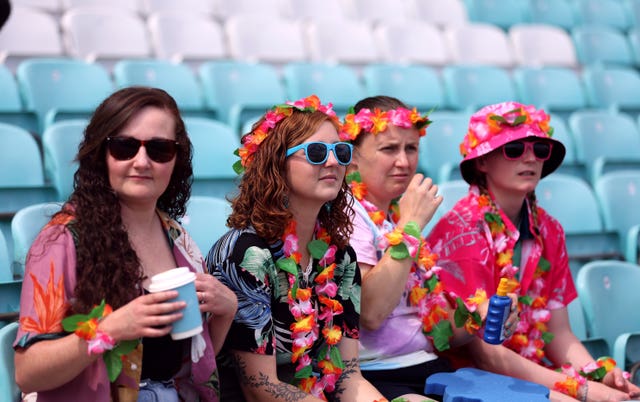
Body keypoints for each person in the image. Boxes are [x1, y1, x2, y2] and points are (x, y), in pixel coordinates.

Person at [13, 87, 237, 402]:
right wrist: (109, 330)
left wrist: (226, 312)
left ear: (176, 160)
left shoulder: (177, 238)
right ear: (101, 155)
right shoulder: (62, 240)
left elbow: (188, 361)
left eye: (159, 149)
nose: (142, 161)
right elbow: (28, 372)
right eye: (124, 147)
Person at [427, 101, 640, 402]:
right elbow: (485, 355)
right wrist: (583, 389)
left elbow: (560, 333)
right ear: (482, 163)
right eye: (513, 149)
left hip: (528, 372)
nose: (530, 158)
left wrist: (599, 373)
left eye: (539, 149)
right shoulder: (459, 234)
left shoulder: (549, 230)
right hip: (471, 378)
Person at [206, 94, 414, 401]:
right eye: (316, 152)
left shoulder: (339, 256)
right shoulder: (248, 254)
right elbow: (259, 387)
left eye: (340, 151)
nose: (332, 161)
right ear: (276, 164)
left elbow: (347, 376)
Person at [339, 95, 519, 400]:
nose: (404, 161)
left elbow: (437, 331)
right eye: (389, 149)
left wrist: (479, 316)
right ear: (354, 157)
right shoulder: (349, 212)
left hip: (428, 368)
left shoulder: (394, 216)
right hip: (378, 375)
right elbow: (370, 312)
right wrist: (409, 229)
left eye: (411, 148)